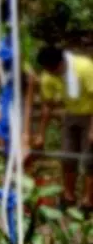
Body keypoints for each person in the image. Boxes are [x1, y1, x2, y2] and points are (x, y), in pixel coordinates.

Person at [31, 46, 93, 209]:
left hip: (90, 114)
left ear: (61, 63)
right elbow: (47, 106)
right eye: (47, 70)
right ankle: (69, 196)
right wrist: (41, 134)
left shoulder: (84, 68)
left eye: (52, 69)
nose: (49, 73)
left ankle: (88, 201)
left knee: (89, 160)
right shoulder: (48, 76)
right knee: (67, 157)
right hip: (71, 115)